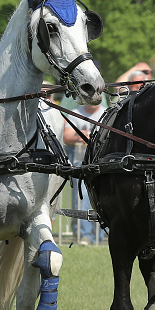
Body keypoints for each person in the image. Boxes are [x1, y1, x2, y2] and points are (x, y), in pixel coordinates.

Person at [62, 99, 105, 244]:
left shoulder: (106, 113)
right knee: (81, 199)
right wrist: (82, 137)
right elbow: (66, 136)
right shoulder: (75, 114)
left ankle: (98, 235)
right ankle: (84, 235)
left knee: (100, 199)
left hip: (101, 164)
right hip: (80, 164)